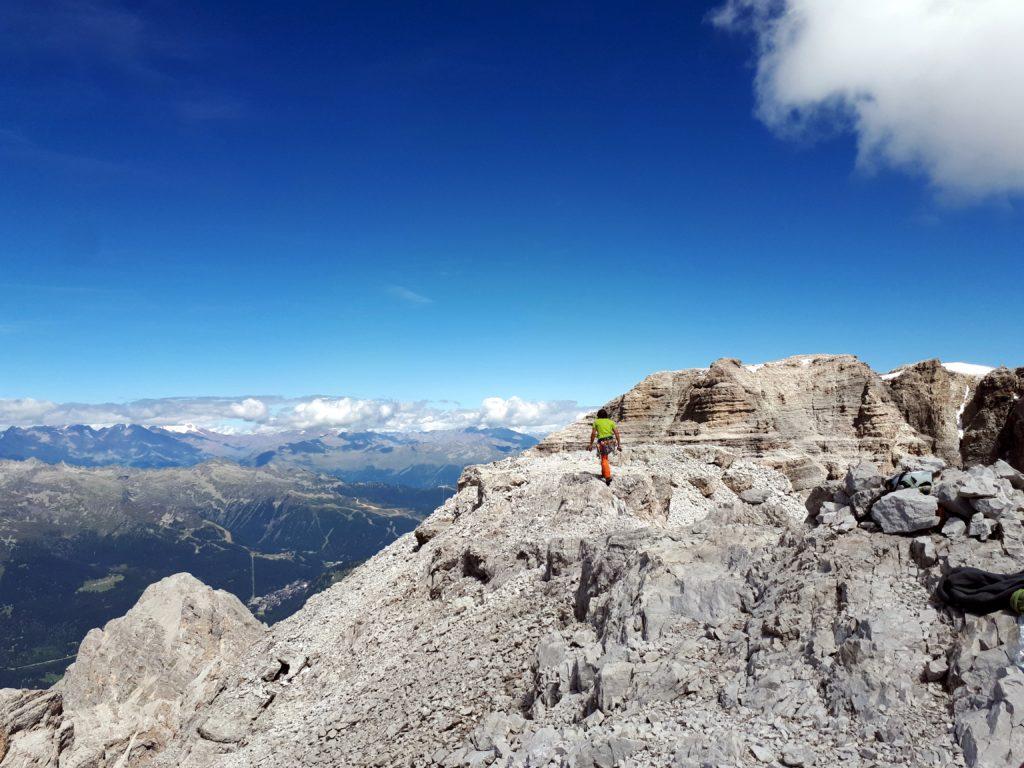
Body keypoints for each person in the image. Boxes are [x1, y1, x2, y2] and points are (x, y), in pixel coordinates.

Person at [588, 409, 622, 485]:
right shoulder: (611, 422)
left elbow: (593, 434)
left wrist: (590, 444)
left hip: (602, 442)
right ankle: (603, 473)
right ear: (606, 415)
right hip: (611, 442)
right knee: (605, 458)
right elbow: (616, 433)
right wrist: (619, 444)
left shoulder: (596, 422)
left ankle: (607, 477)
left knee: (604, 459)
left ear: (598, 416)